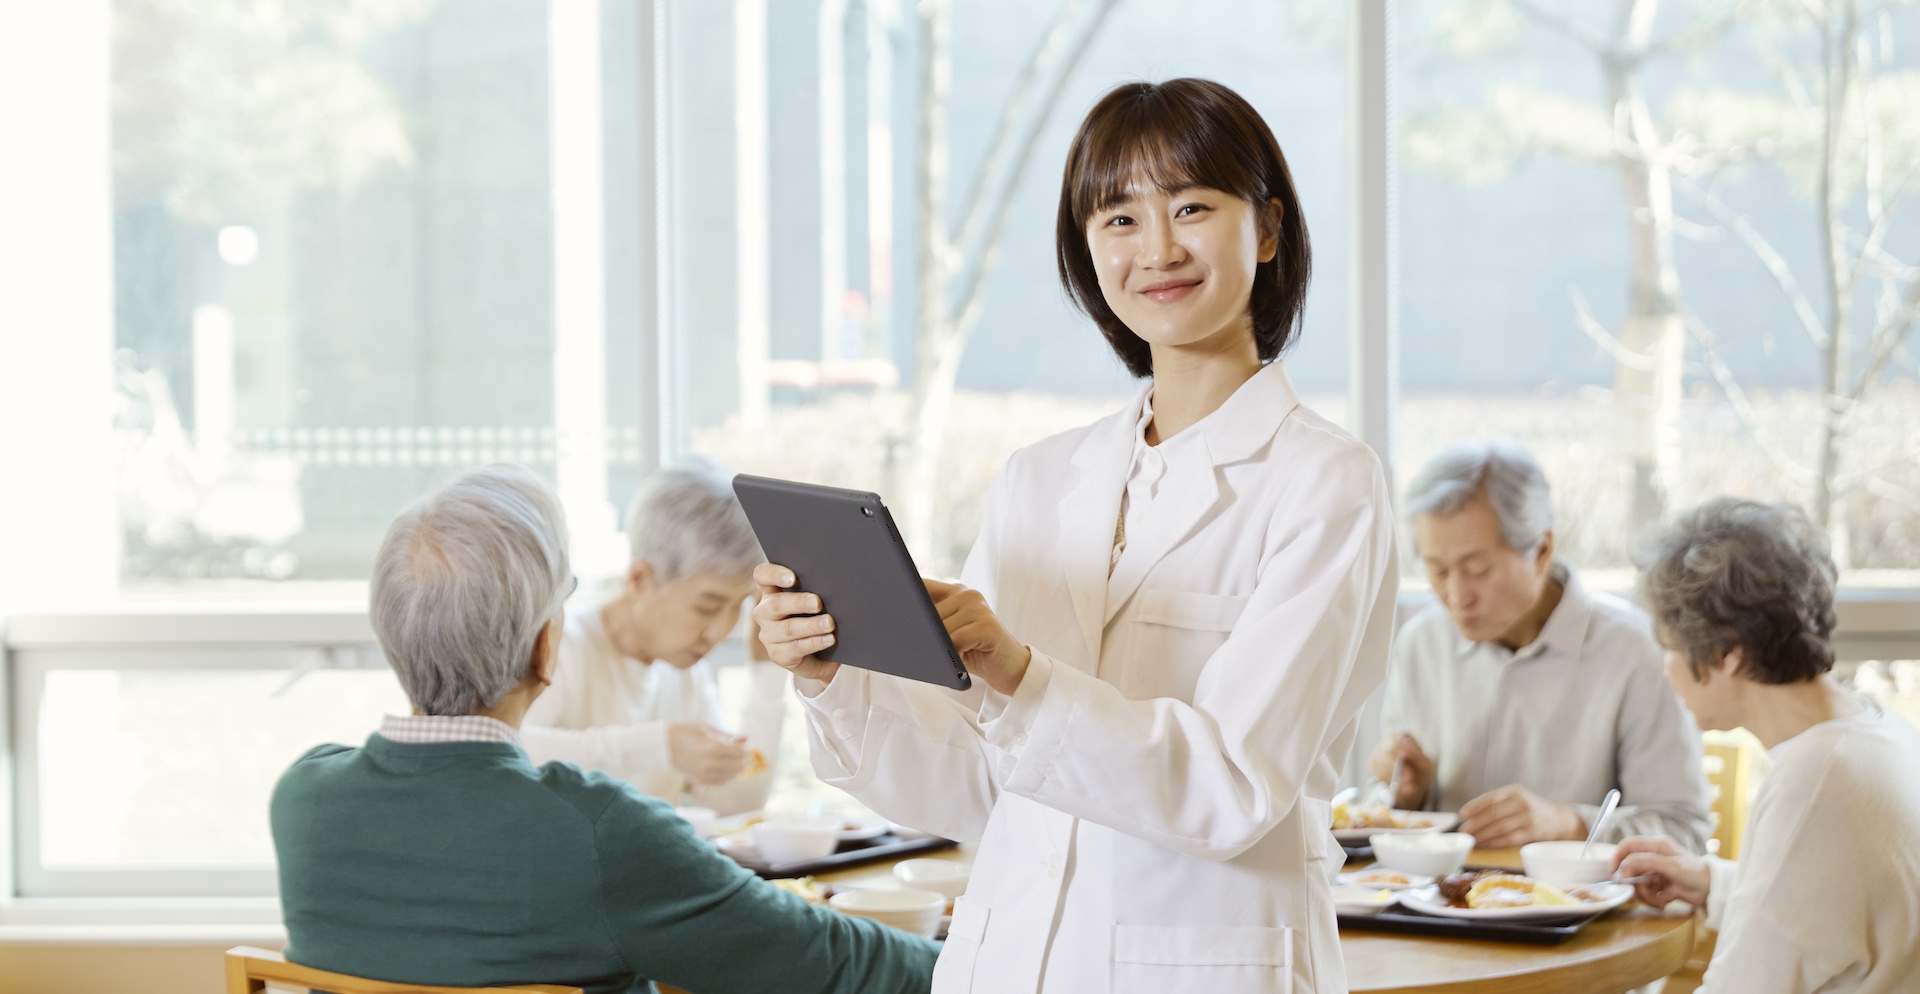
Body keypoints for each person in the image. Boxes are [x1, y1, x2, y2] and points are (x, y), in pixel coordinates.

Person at [756, 79, 1399, 994]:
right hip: (1008, 963)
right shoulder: (1038, 478)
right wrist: (830, 676)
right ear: (1086, 252)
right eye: (1119, 219)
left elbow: (1232, 788)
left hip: (1206, 966)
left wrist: (1018, 670)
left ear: (1265, 230)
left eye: (1191, 207)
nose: (1159, 248)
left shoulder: (1327, 482)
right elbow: (975, 786)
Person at [270, 465, 937, 994]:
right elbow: (824, 963)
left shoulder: (302, 801)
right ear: (545, 648)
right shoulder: (605, 830)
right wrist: (990, 967)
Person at [1613, 498, 1920, 994]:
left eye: (1670, 648)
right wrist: (1712, 882)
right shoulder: (1880, 732)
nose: (1666, 669)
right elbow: (1830, 914)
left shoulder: (1815, 785)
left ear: (1726, 652)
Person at [1369, 440, 1711, 851]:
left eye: (1477, 570)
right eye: (1438, 571)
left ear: (1542, 551)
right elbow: (1387, 811)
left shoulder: (1636, 650)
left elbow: (1684, 829)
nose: (1457, 596)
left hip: (1576, 909)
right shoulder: (1420, 643)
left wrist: (1569, 824)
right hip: (1437, 907)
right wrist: (1407, 796)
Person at [522, 461, 785, 815]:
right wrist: (659, 746)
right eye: (707, 607)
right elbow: (514, 756)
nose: (719, 633)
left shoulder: (685, 672)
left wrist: (768, 669)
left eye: (738, 606)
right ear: (640, 580)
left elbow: (738, 804)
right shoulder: (561, 645)